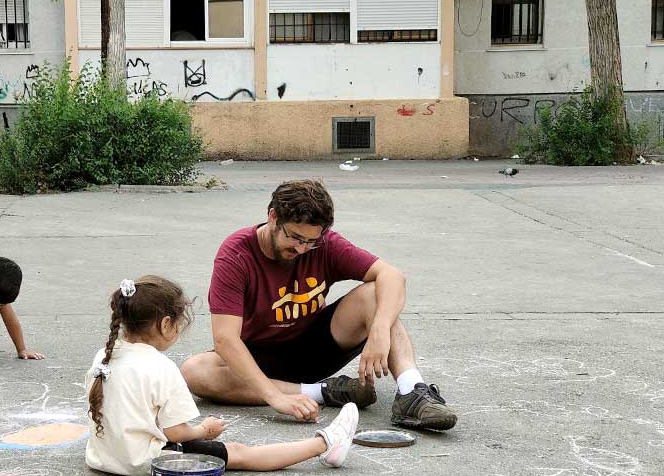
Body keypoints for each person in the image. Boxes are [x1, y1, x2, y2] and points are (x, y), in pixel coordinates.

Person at [180, 179, 457, 431]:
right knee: (194, 372)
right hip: (258, 358)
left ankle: (412, 392)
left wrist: (380, 330)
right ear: (273, 216)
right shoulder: (236, 254)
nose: (302, 249)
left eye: (311, 241)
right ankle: (325, 392)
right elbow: (225, 339)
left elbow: (393, 276)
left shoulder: (325, 244)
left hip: (314, 346)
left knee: (375, 294)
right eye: (295, 237)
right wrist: (276, 398)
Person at [84, 276, 359, 476]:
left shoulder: (105, 355)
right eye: (180, 322)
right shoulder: (160, 366)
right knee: (239, 453)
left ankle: (324, 444)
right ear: (166, 324)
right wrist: (204, 431)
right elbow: (176, 433)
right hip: (144, 463)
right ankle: (325, 444)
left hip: (104, 458)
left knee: (224, 449)